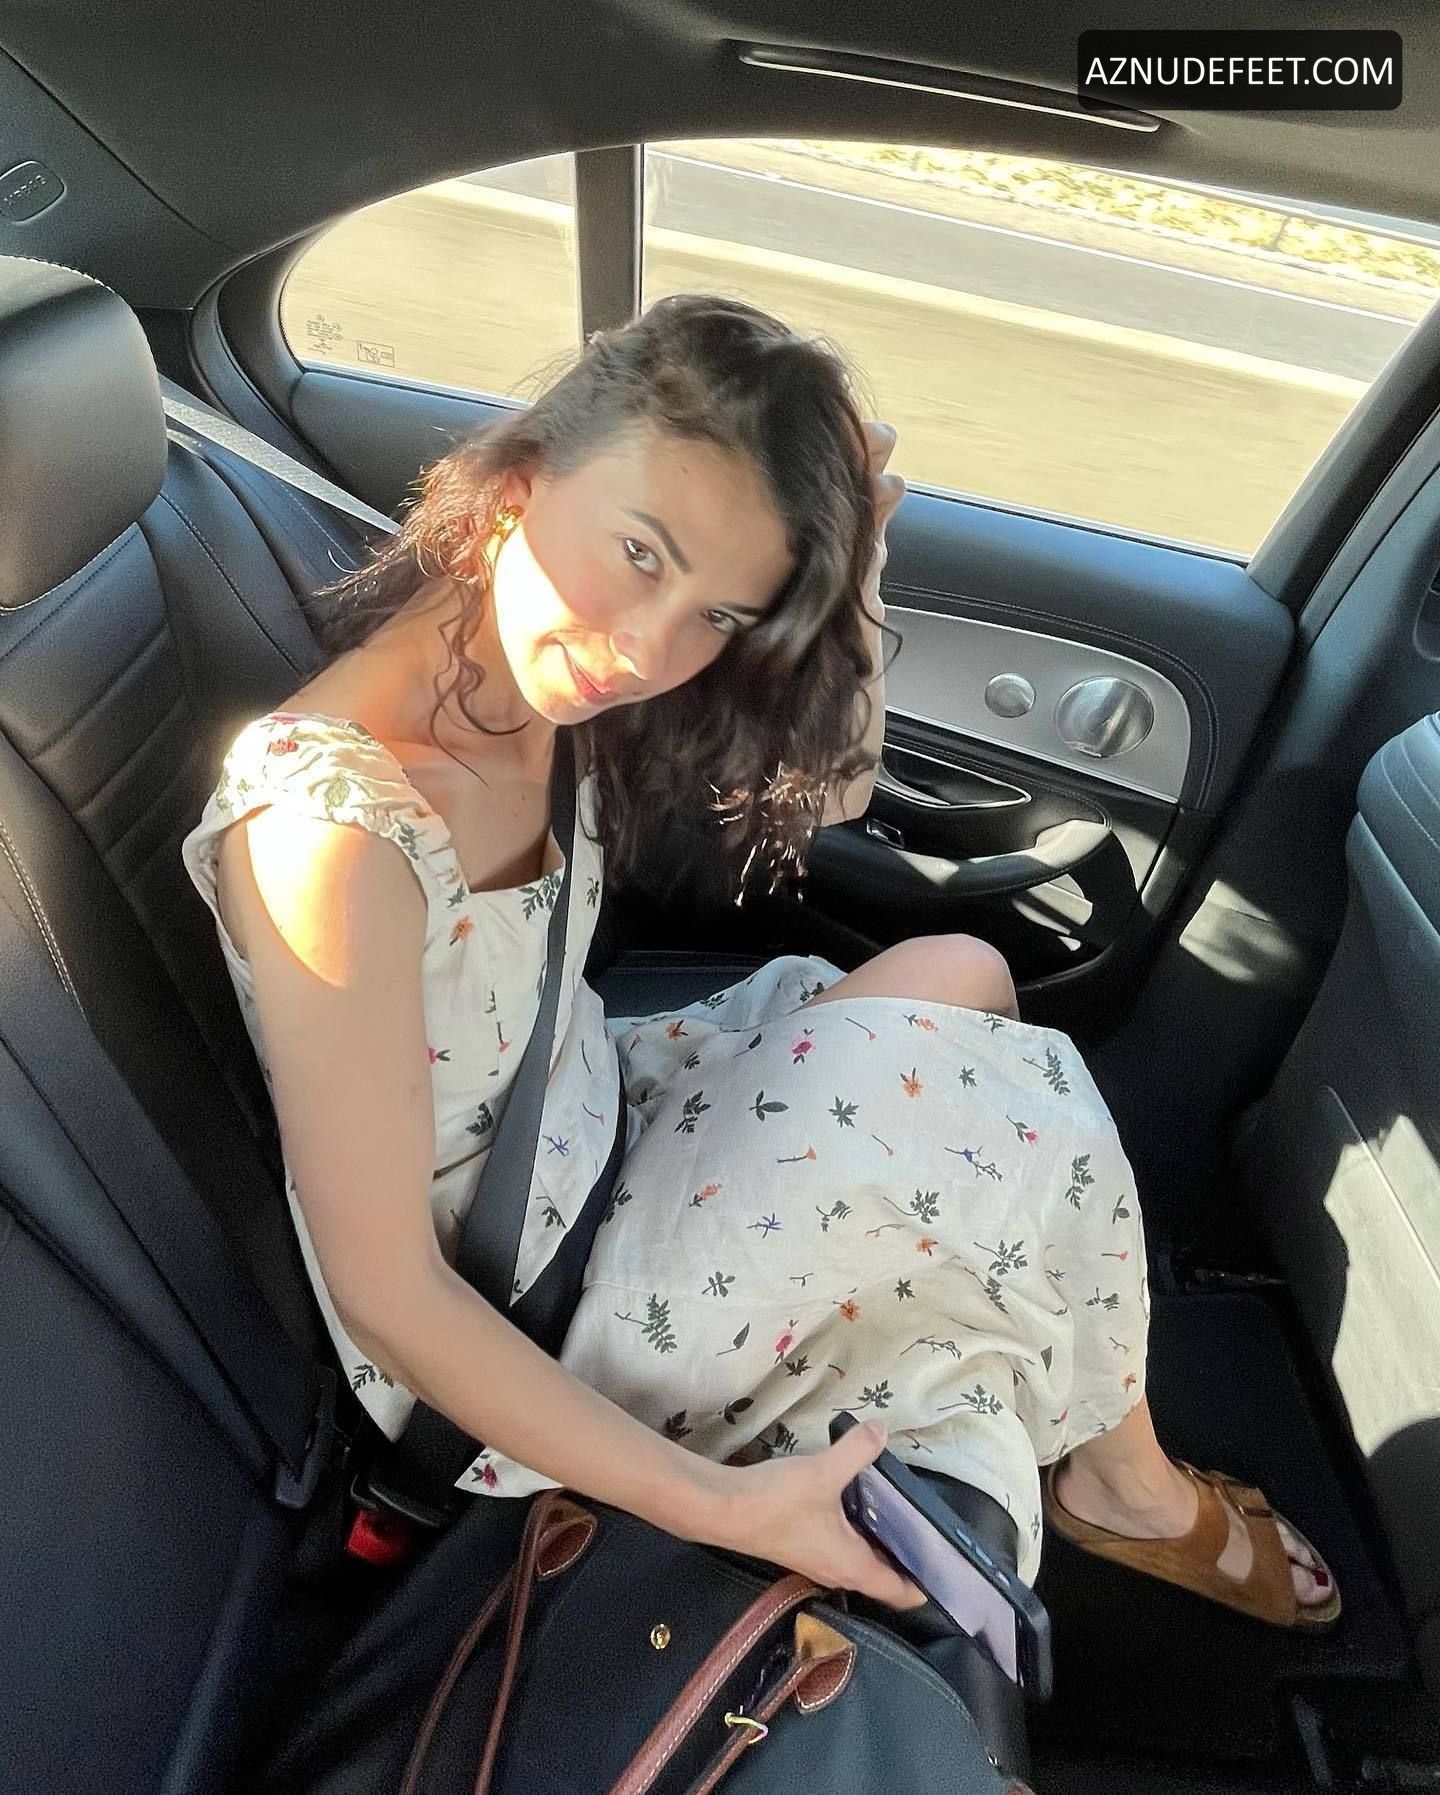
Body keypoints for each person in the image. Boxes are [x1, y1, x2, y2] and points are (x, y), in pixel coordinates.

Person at [182, 294, 1336, 1628]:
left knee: (965, 972)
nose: (647, 650)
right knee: (1016, 1133)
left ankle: (1104, 1464)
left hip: (599, 1115)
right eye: (639, 551)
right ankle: (1128, 1485)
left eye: (720, 614)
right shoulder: (331, 833)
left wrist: (857, 567)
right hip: (528, 1298)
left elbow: (837, 792)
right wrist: (724, 1506)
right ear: (520, 481)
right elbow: (392, 1294)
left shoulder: (522, 673)